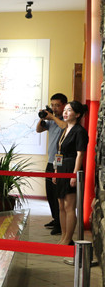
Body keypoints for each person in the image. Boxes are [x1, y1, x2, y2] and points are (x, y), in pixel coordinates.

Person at [53, 101, 89, 246]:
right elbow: (59, 152)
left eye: (69, 110)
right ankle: (63, 237)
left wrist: (75, 174)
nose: (65, 112)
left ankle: (68, 239)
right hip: (62, 168)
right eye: (65, 110)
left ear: (78, 114)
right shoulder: (65, 129)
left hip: (72, 167)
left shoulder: (79, 131)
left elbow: (80, 155)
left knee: (69, 206)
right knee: (61, 205)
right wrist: (56, 170)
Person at [36, 93, 67, 235]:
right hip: (50, 162)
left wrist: (53, 117)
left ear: (64, 106)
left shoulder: (65, 119)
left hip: (60, 164)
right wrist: (42, 117)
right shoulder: (51, 120)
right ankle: (55, 219)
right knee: (50, 194)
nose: (54, 108)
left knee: (57, 195)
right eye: (52, 105)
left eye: (57, 105)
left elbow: (64, 127)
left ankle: (60, 224)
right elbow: (38, 129)